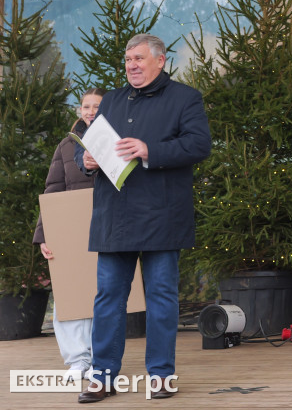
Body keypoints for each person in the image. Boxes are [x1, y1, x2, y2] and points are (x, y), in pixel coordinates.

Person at [75, 34, 211, 402]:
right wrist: (84, 161)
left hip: (162, 217)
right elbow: (88, 143)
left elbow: (200, 145)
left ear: (160, 61)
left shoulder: (186, 98)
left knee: (162, 298)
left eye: (138, 58)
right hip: (114, 217)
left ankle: (161, 375)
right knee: (107, 299)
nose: (131, 65)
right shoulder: (113, 100)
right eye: (127, 60)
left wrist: (150, 150)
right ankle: (102, 377)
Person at [33, 89, 105, 378]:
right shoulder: (66, 146)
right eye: (85, 106)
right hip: (70, 229)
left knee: (100, 293)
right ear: (79, 111)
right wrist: (45, 235)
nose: (89, 111)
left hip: (105, 224)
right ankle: (77, 361)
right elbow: (52, 189)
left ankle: (99, 360)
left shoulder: (116, 142)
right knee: (68, 293)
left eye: (96, 106)